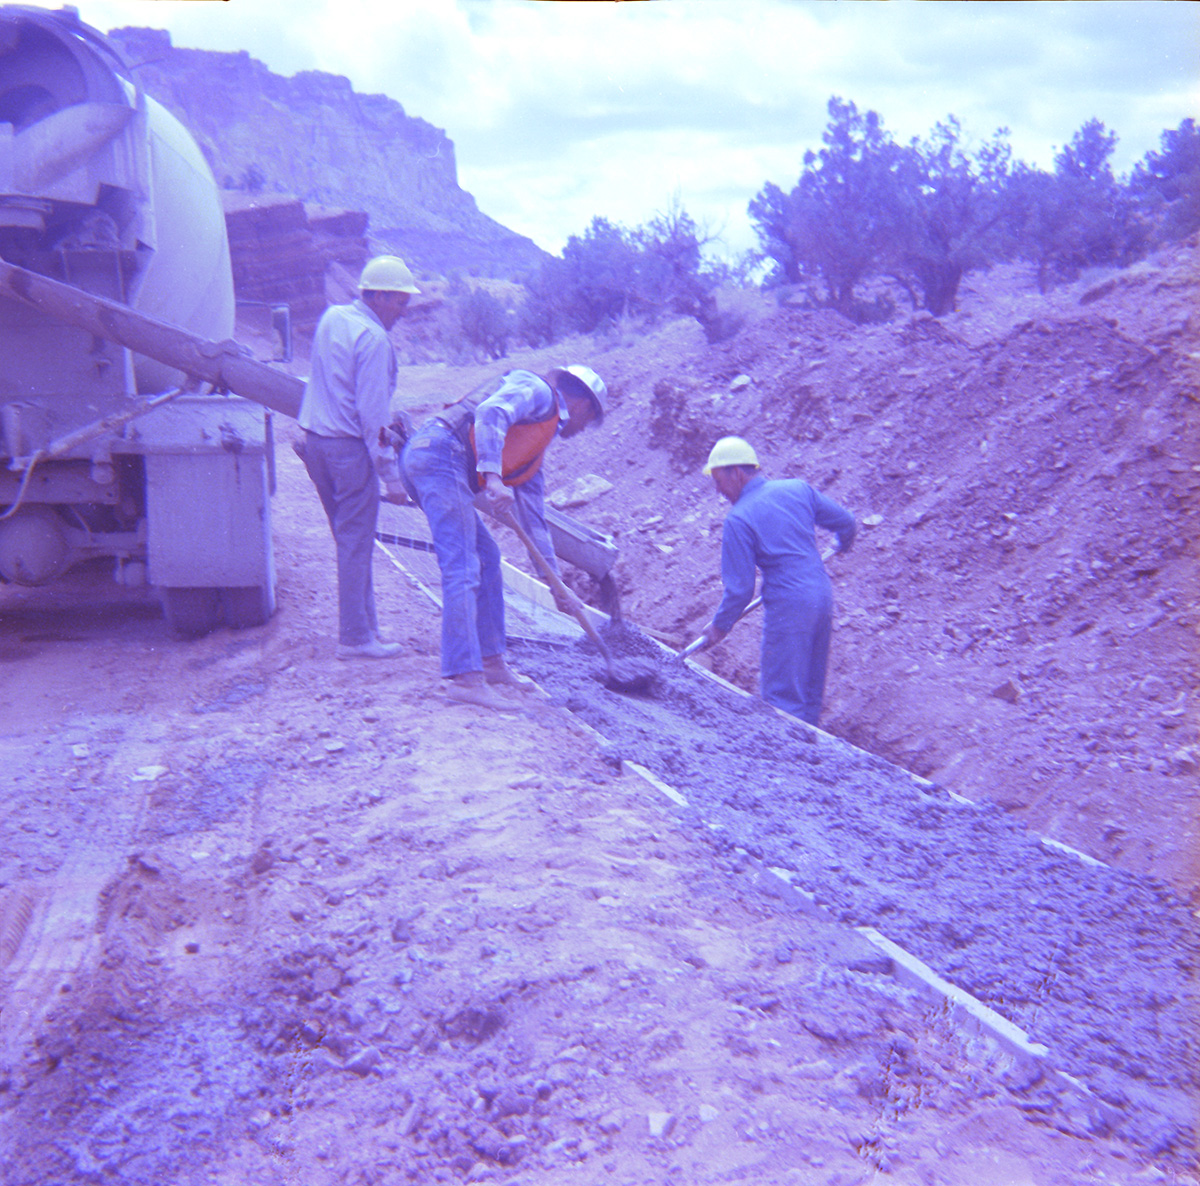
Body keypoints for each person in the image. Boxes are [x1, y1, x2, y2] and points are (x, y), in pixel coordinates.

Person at [401, 365, 607, 708]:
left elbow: (535, 522)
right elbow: (491, 411)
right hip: (438, 454)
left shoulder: (532, 450)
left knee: (487, 558)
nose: (582, 428)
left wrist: (554, 583)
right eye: (589, 422)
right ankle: (465, 678)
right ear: (585, 406)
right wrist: (493, 478)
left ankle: (491, 662)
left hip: (437, 461)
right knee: (463, 565)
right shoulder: (539, 392)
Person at [298, 255, 419, 658]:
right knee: (355, 543)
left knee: (349, 539)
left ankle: (367, 627)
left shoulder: (333, 318)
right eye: (400, 302)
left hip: (316, 442)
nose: (403, 311)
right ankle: (355, 637)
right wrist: (392, 477)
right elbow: (374, 419)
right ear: (380, 296)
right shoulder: (374, 339)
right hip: (348, 451)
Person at [696, 436, 856, 725]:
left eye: (720, 481)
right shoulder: (797, 489)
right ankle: (809, 760)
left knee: (782, 700)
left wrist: (719, 627)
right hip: (821, 595)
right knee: (809, 691)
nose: (719, 491)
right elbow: (846, 523)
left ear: (739, 473)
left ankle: (786, 765)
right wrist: (842, 544)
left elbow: (741, 590)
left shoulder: (739, 520)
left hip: (788, 606)